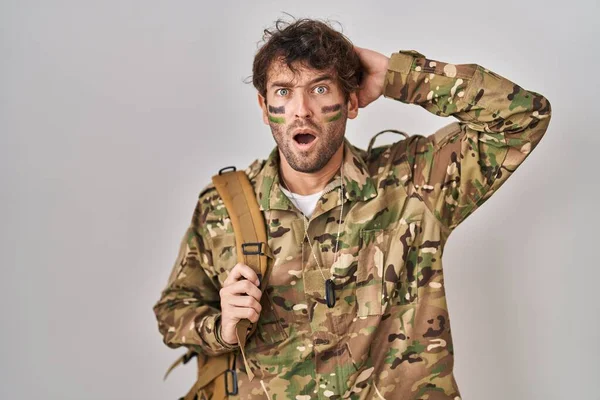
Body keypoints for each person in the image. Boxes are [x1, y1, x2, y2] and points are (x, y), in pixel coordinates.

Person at [153, 17, 552, 400]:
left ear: (351, 101)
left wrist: (399, 76)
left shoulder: (414, 182)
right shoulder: (223, 207)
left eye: (321, 89)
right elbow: (172, 312)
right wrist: (220, 328)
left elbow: (523, 117)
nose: (301, 110)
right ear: (263, 106)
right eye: (283, 91)